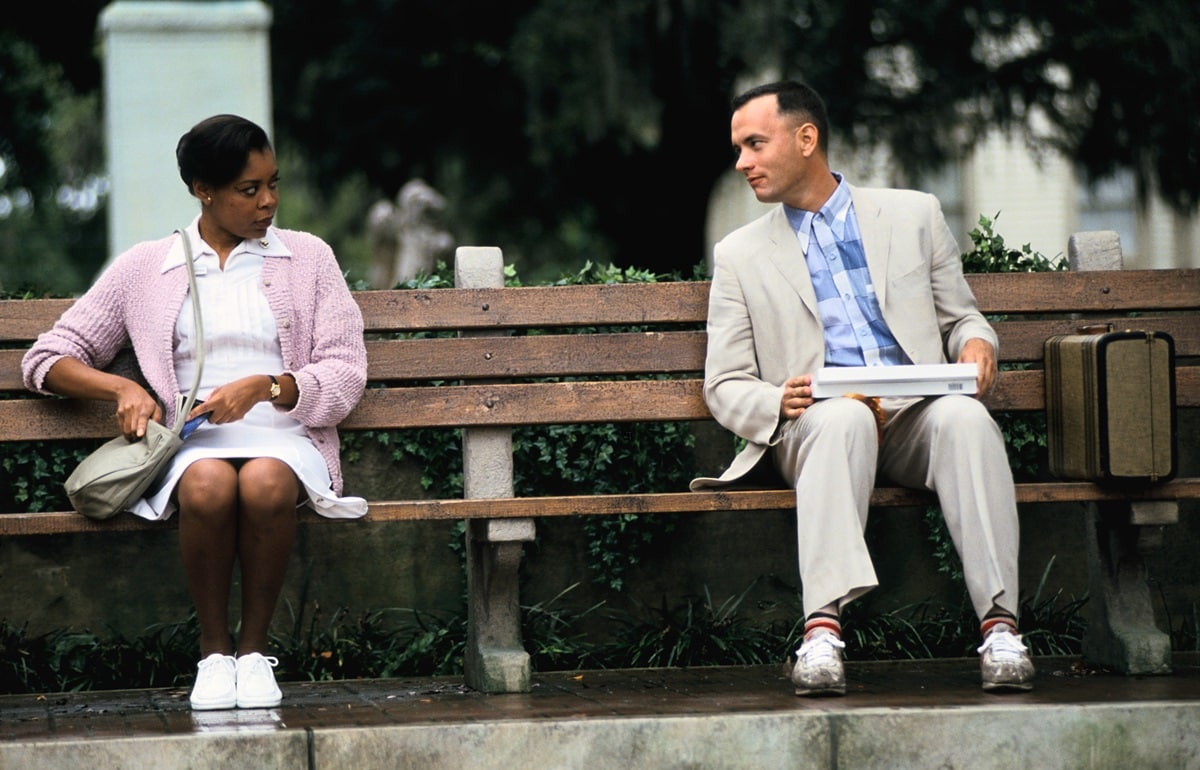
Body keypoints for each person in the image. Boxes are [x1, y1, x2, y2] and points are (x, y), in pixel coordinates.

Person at [691, 81, 1034, 695]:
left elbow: (962, 319)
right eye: (738, 147)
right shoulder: (740, 254)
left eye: (754, 144)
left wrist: (978, 344)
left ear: (805, 139)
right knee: (843, 417)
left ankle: (1001, 626)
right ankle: (821, 633)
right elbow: (723, 383)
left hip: (914, 416)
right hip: (814, 425)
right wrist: (777, 401)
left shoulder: (914, 214)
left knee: (966, 420)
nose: (741, 162)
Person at [22, 115, 368, 710]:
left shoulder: (308, 258)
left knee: (264, 481)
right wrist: (120, 390)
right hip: (195, 441)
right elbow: (47, 358)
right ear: (202, 189)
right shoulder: (147, 267)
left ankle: (255, 653)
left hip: (286, 434)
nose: (268, 202)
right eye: (248, 189)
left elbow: (345, 371)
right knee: (206, 484)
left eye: (273, 184)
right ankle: (213, 654)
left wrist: (265, 387)